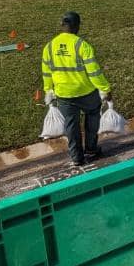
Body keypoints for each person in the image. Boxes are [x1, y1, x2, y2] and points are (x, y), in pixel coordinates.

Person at [42, 11, 112, 166]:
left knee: (71, 125)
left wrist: (48, 90)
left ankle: (77, 157)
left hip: (64, 95)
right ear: (77, 26)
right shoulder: (82, 45)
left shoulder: (49, 47)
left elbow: (47, 72)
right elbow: (93, 71)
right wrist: (105, 88)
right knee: (93, 115)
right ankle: (91, 149)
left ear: (62, 25)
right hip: (86, 92)